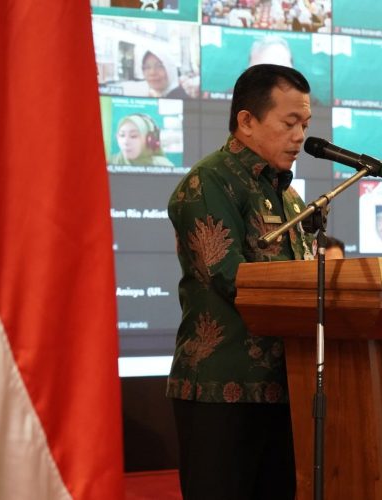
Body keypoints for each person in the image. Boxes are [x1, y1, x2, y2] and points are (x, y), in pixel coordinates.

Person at [167, 63, 314, 500]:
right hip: (220, 393)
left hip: (286, 389)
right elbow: (230, 278)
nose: (300, 136)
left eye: (305, 124)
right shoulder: (207, 182)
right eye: (290, 123)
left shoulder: (289, 196)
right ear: (246, 121)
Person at [123, 49, 197, 99]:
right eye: (147, 67)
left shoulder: (178, 97)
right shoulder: (165, 95)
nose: (152, 72)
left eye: (159, 66)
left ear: (170, 69)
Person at [107, 113, 174, 167]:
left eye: (133, 136)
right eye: (122, 135)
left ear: (149, 140)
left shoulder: (165, 167)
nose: (126, 142)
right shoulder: (108, 163)